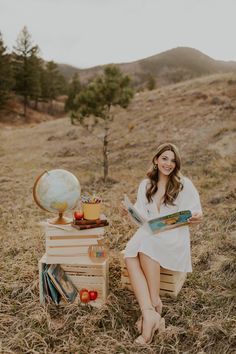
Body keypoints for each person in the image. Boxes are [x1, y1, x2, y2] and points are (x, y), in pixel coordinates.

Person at [122, 142, 203, 345]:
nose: (168, 163)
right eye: (164, 158)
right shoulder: (146, 185)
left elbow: (196, 212)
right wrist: (128, 212)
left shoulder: (184, 185)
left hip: (173, 236)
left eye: (173, 160)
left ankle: (152, 310)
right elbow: (141, 217)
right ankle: (150, 310)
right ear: (156, 160)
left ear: (176, 165)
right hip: (151, 232)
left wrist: (196, 216)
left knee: (146, 245)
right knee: (129, 253)